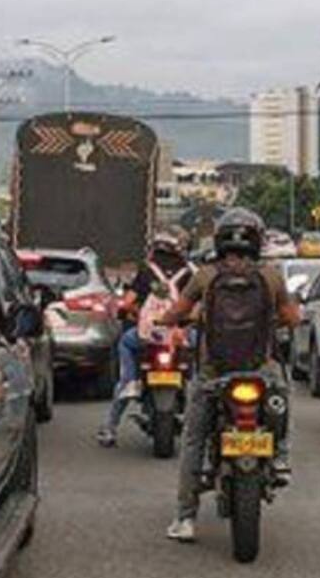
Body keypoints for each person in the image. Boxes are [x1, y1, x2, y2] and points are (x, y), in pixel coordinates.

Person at [156, 208, 300, 542]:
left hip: (213, 373)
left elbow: (177, 311)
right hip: (259, 371)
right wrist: (281, 321)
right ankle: (279, 456)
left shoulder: (205, 275)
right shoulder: (271, 276)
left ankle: (185, 518)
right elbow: (292, 318)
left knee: (193, 440)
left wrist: (168, 320)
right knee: (282, 397)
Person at [96, 230, 194, 447]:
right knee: (199, 365)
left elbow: (128, 303)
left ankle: (111, 425)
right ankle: (195, 395)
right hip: (179, 337)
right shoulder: (188, 274)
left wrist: (137, 315)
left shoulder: (146, 271)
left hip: (147, 335)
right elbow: (198, 308)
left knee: (125, 345)